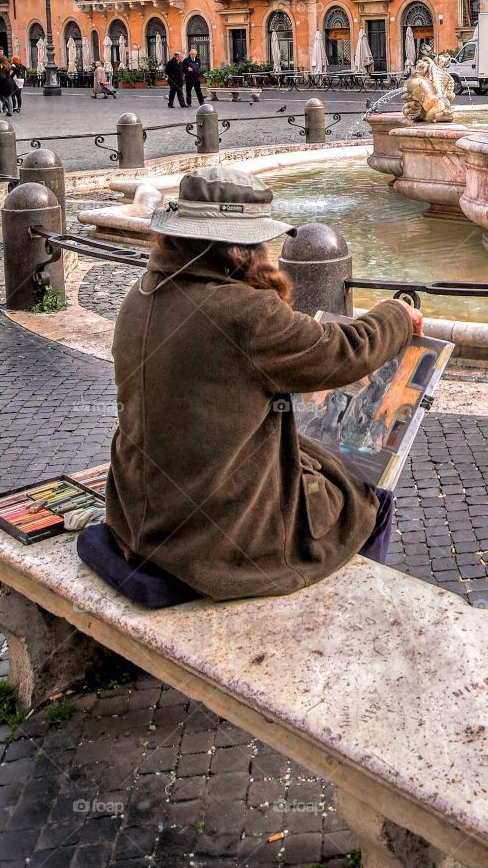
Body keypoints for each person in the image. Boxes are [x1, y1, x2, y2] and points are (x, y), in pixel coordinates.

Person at [86, 166, 423, 603]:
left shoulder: (142, 292)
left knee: (312, 457)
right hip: (209, 541)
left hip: (138, 514)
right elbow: (344, 352)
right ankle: (352, 613)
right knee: (368, 501)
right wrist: (395, 314)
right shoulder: (243, 312)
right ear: (240, 246)